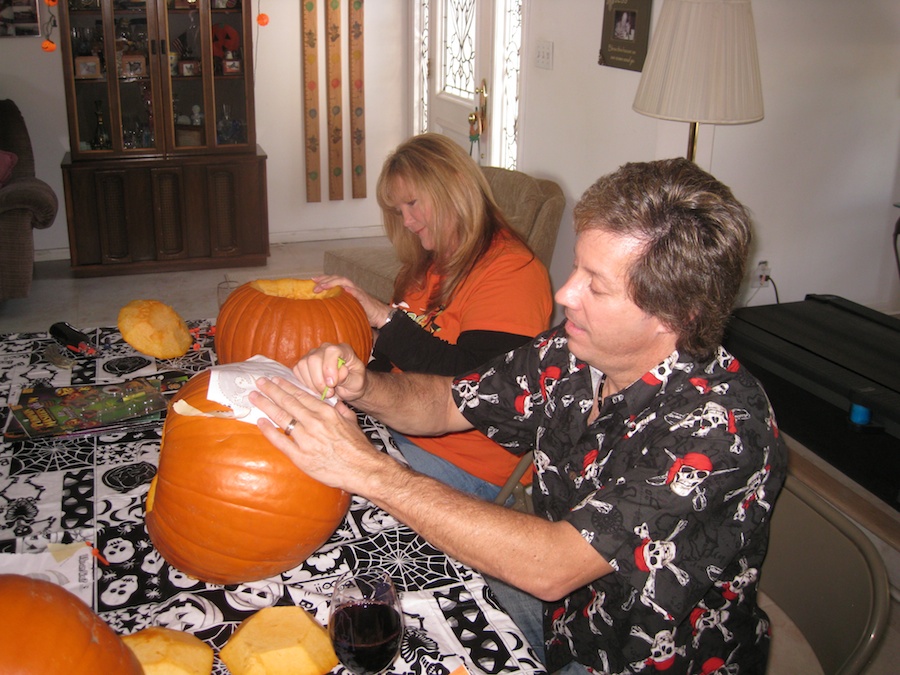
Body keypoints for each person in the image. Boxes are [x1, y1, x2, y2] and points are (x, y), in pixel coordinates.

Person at [250, 158, 787, 674]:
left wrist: (367, 470)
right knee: (374, 587)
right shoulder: (574, 353)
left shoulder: (721, 426)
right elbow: (448, 402)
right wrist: (365, 386)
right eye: (577, 266)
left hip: (639, 659)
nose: (564, 293)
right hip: (564, 620)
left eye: (595, 284)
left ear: (678, 312)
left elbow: (554, 566)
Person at [313, 133, 553, 501]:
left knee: (319, 487)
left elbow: (478, 385)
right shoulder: (430, 264)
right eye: (398, 211)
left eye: (412, 203)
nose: (406, 221)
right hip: (401, 424)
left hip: (468, 466)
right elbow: (394, 360)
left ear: (454, 188)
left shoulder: (512, 270)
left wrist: (384, 317)